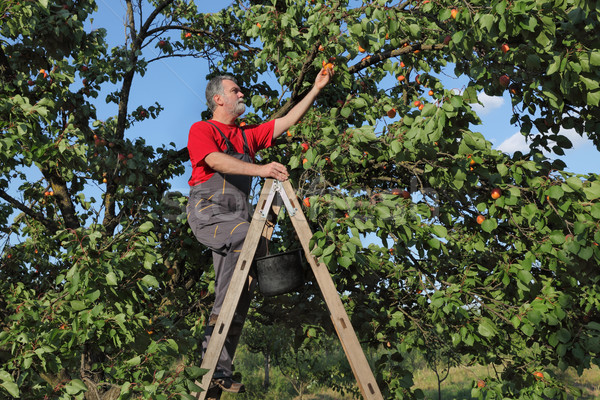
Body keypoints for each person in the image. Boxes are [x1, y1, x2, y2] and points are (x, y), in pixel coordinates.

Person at [186, 67, 332, 394]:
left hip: (237, 213)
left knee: (235, 296)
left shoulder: (247, 135)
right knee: (250, 239)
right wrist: (261, 168)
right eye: (235, 90)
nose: (242, 94)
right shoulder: (202, 129)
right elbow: (216, 162)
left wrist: (316, 87)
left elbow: (288, 121)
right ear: (218, 99)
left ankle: (213, 372)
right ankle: (266, 269)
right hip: (208, 208)